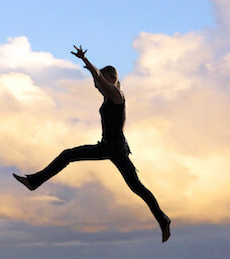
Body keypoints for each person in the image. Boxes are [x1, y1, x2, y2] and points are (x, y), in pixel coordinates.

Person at [13, 46, 171, 243]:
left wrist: (86, 62)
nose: (99, 85)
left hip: (117, 148)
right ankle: (33, 182)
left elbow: (99, 78)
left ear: (112, 79)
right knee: (68, 155)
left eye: (103, 80)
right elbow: (97, 79)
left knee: (136, 187)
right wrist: (91, 71)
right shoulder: (108, 97)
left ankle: (163, 220)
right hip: (106, 146)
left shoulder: (117, 95)